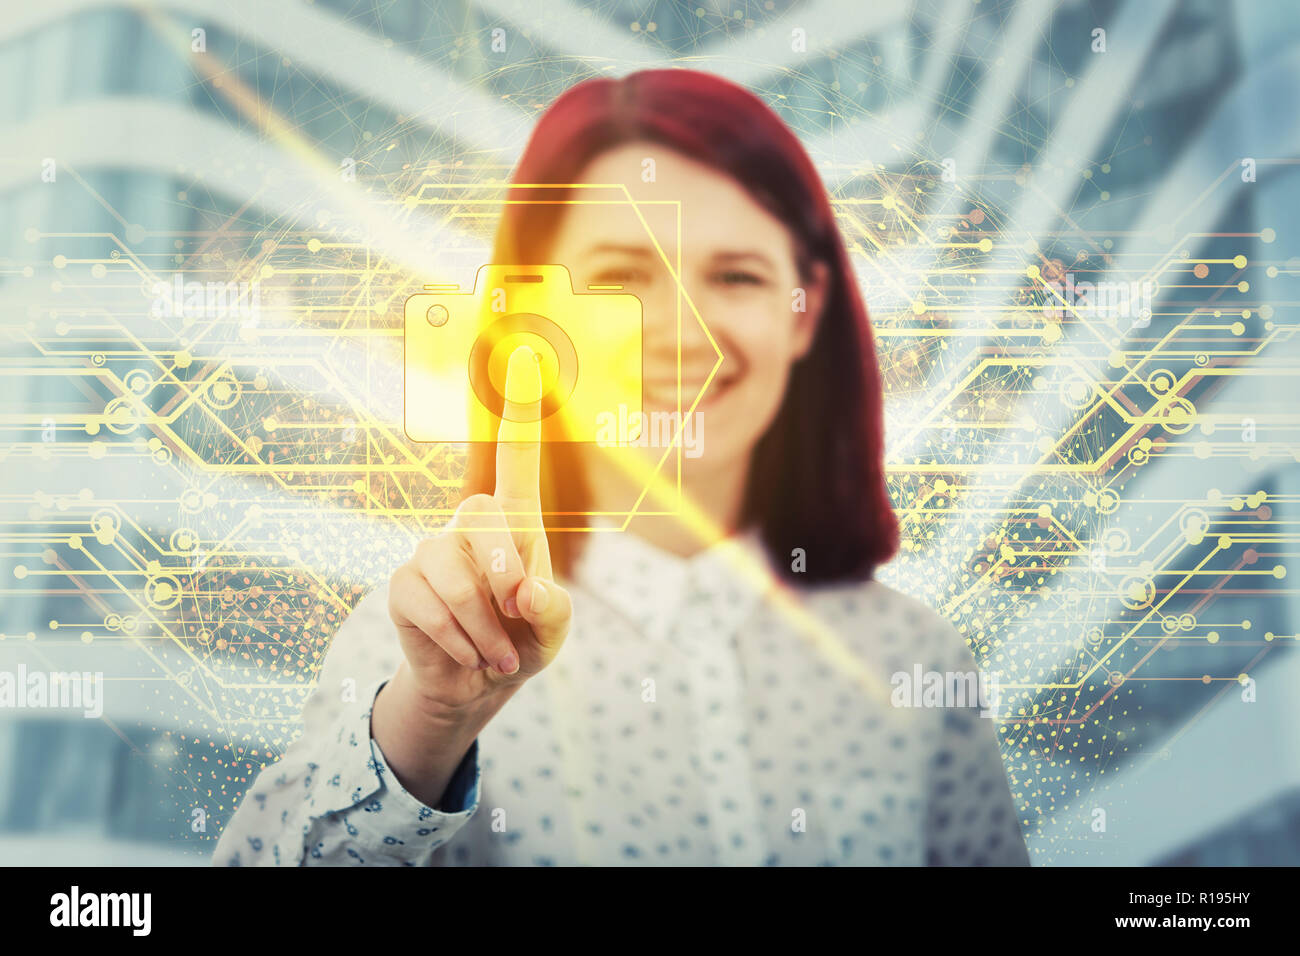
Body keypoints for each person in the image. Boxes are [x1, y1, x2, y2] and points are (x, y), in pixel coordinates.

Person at [214, 69, 1030, 866]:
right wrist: (429, 727)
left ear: (805, 308)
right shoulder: (423, 651)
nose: (684, 336)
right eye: (620, 279)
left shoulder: (915, 660)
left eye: (737, 277)